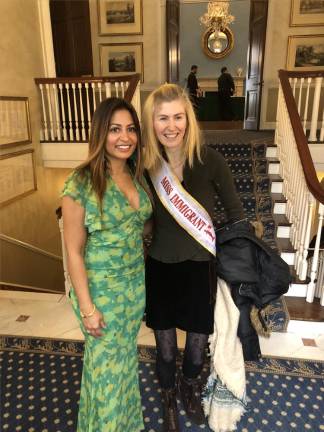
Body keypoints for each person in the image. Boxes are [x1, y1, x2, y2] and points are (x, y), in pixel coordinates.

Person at [142, 83, 244, 431]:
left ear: (189, 119)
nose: (171, 126)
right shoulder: (146, 166)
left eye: (178, 117)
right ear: (152, 123)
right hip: (160, 268)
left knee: (197, 351)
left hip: (200, 269)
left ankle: (188, 387)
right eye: (162, 119)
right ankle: (170, 397)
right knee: (167, 349)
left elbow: (235, 213)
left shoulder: (210, 160)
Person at [61, 97, 152, 432]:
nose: (124, 137)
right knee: (108, 371)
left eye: (130, 129)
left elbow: (139, 226)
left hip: (132, 290)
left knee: (121, 366)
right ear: (101, 133)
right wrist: (87, 308)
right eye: (115, 129)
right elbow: (73, 251)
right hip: (100, 293)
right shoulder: (80, 182)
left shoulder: (137, 174)